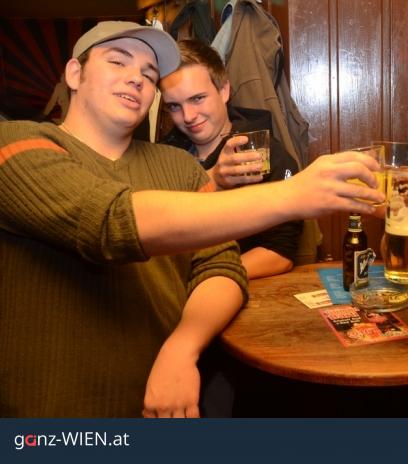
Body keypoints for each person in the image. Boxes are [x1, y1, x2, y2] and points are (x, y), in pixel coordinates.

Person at [0, 21, 382, 418]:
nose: (136, 79)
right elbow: (107, 221)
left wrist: (182, 347)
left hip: (174, 403)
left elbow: (220, 265)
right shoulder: (17, 143)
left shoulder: (178, 164)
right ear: (74, 73)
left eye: (149, 74)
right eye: (118, 61)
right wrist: (293, 194)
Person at [159, 39, 301, 280]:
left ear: (224, 90)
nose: (188, 116)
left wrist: (202, 277)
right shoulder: (161, 156)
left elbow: (279, 253)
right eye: (174, 106)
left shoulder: (264, 154)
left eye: (197, 98)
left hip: (238, 290)